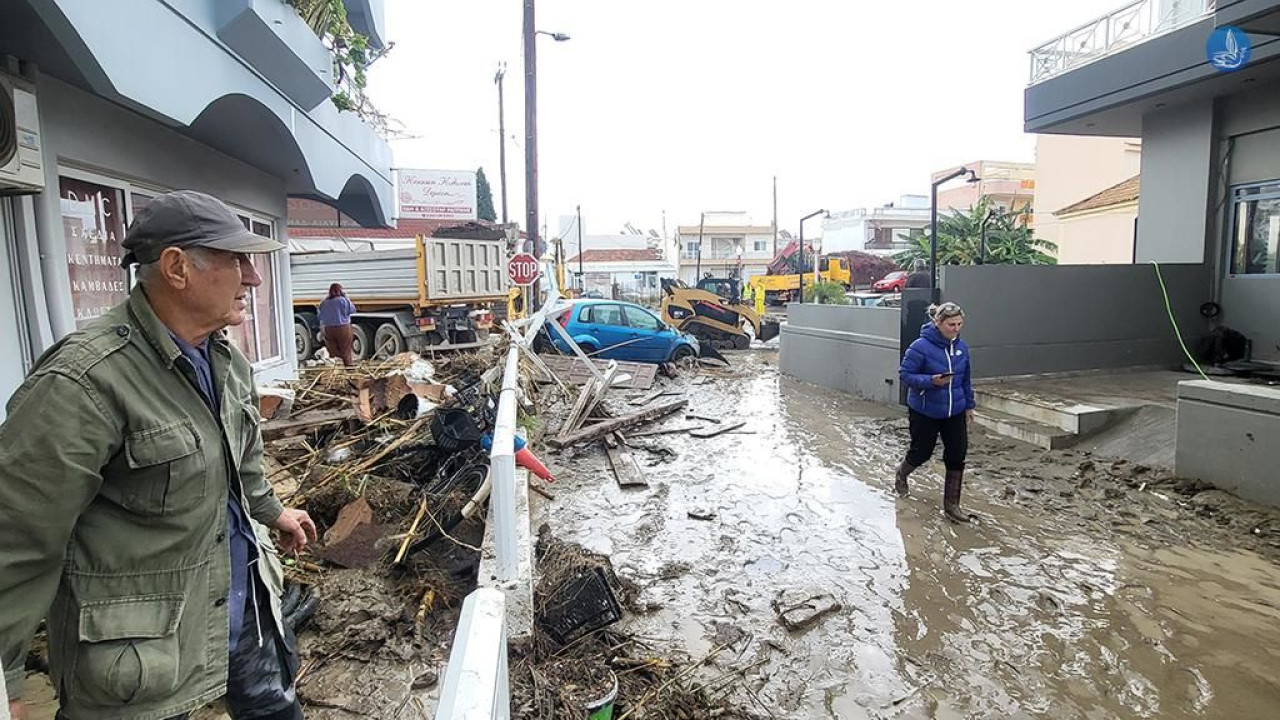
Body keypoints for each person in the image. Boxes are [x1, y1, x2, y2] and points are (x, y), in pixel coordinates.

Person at [0, 190, 317, 720]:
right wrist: (5, 677)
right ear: (176, 268)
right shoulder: (85, 381)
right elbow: (17, 538)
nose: (254, 277)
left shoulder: (224, 360)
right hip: (140, 652)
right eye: (236, 260)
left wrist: (270, 510)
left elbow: (240, 462)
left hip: (242, 611)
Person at [895, 301, 976, 522]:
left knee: (957, 455)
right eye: (951, 324)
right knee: (922, 452)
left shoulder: (962, 347)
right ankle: (901, 474)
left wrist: (969, 405)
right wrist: (931, 381)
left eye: (959, 324)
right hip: (925, 410)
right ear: (937, 323)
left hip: (955, 410)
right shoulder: (919, 347)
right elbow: (905, 375)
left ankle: (952, 506)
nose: (956, 329)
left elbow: (966, 379)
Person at [318, 283, 357, 366]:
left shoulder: (324, 302)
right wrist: (346, 297)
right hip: (343, 328)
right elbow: (353, 310)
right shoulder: (343, 301)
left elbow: (320, 316)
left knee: (333, 351)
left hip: (329, 329)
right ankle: (348, 367)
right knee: (345, 350)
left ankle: (336, 368)